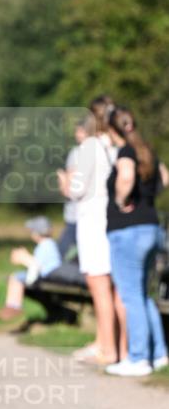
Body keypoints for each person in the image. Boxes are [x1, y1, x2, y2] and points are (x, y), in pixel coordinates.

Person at [57, 97, 125, 366]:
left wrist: (65, 181)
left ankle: (107, 349)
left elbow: (76, 190)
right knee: (113, 287)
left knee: (99, 288)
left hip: (93, 223)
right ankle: (109, 343)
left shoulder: (89, 147)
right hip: (114, 221)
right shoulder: (117, 146)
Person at [104, 107, 168, 376]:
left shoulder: (126, 152)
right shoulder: (147, 151)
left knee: (131, 296)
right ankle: (160, 354)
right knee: (143, 295)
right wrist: (147, 199)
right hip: (152, 227)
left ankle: (138, 358)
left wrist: (121, 201)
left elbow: (126, 177)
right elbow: (165, 178)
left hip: (128, 232)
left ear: (111, 130)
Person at [0, 216, 62, 320]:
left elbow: (36, 266)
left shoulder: (45, 246)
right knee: (16, 276)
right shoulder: (49, 244)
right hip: (48, 274)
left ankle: (14, 306)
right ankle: (11, 306)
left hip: (45, 275)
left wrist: (24, 260)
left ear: (36, 234)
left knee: (16, 277)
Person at [57, 121, 87, 261]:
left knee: (60, 255)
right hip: (94, 215)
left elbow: (68, 189)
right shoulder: (105, 150)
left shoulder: (76, 153)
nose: (77, 135)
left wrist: (62, 178)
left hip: (75, 215)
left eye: (80, 131)